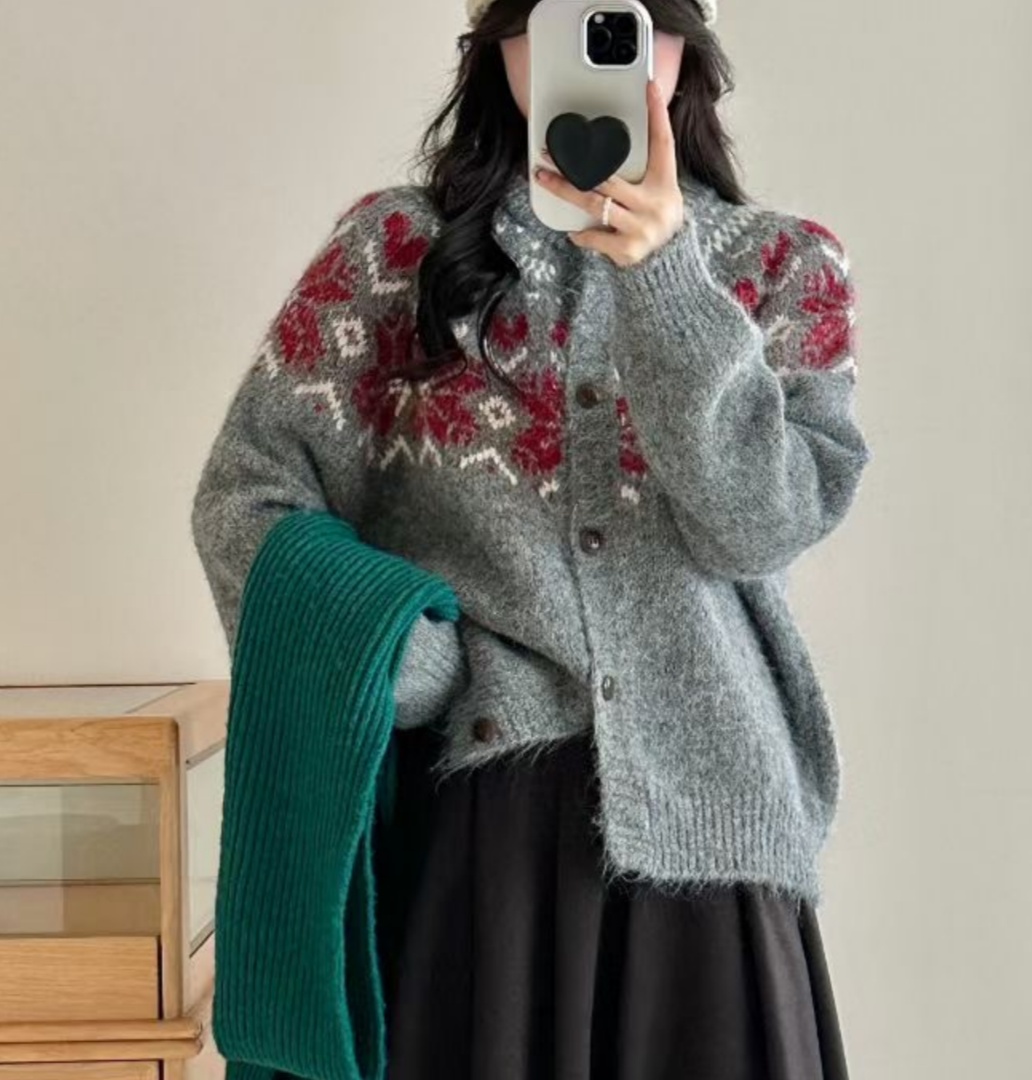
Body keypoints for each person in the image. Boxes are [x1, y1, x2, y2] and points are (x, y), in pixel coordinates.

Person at [190, 0, 871, 1076]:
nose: (599, 49)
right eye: (559, 16)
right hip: (478, 842)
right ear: (503, 43)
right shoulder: (394, 254)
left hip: (715, 845)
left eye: (628, 19)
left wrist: (665, 279)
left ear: (682, 43)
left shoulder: (785, 269)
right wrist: (402, 661)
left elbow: (761, 524)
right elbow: (248, 495)